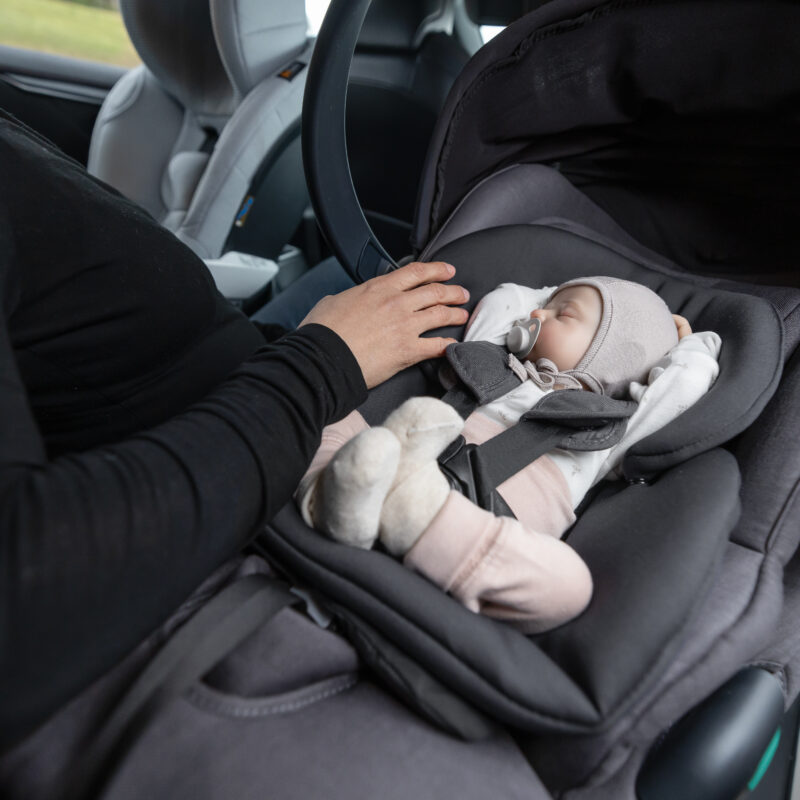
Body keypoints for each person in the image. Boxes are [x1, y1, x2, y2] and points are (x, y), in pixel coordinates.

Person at [0, 108, 472, 748]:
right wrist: (320, 365)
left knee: (381, 266)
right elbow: (27, 593)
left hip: (252, 373)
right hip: (243, 477)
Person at [298, 277, 720, 632]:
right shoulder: (493, 362)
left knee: (569, 588)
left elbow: (684, 385)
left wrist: (684, 344)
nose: (537, 312)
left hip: (481, 524)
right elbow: (504, 298)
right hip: (399, 461)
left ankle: (412, 513)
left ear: (616, 355)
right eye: (545, 305)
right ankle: (341, 494)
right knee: (329, 414)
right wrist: (552, 298)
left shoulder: (609, 433)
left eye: (562, 314)